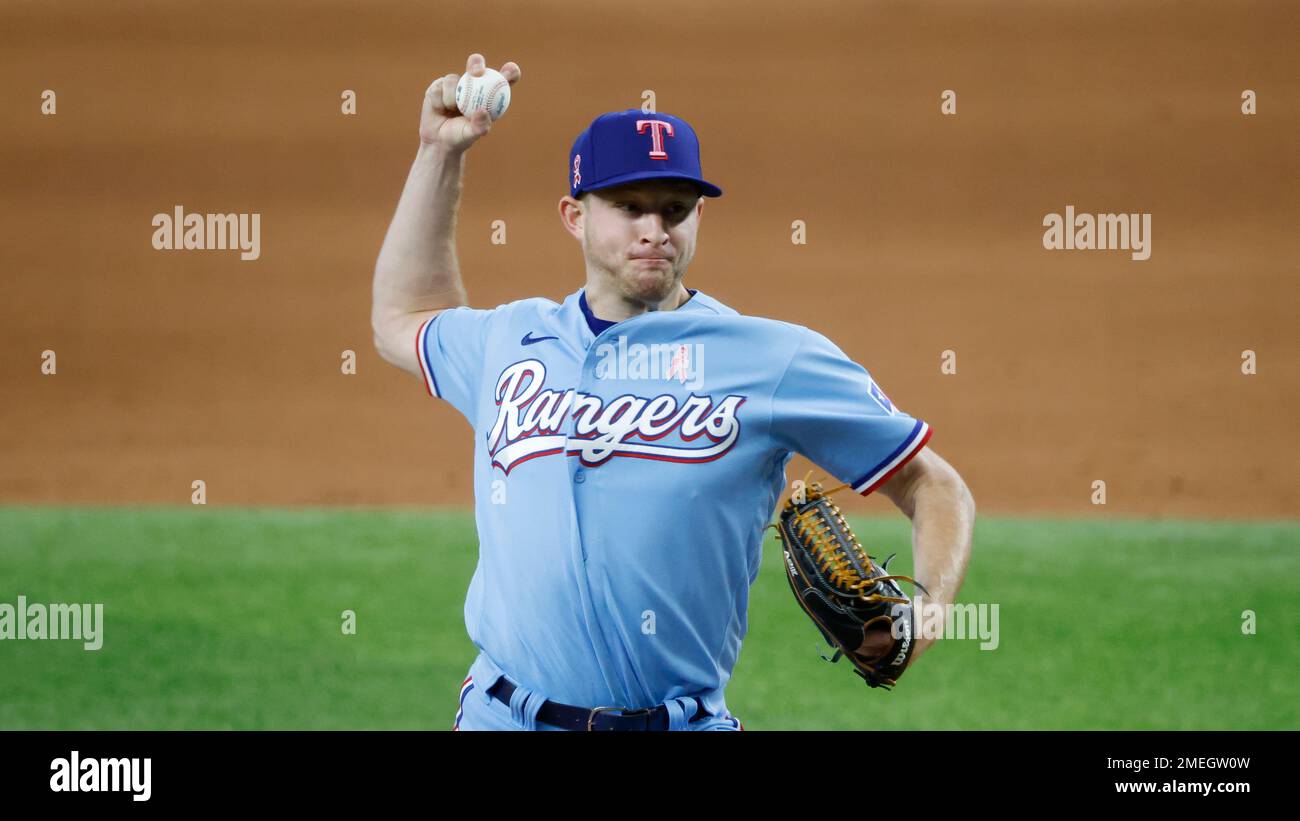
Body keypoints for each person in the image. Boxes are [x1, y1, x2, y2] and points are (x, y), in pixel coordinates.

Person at [372, 53, 976, 731]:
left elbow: (935, 485)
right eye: (629, 207)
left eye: (675, 209)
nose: (654, 229)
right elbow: (406, 316)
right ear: (574, 214)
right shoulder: (510, 340)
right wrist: (437, 152)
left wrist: (924, 615)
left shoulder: (772, 357)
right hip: (502, 715)